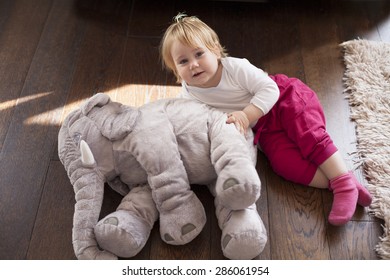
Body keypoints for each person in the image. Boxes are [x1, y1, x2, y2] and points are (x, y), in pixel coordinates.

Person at [159, 13, 372, 226]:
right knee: (283, 164)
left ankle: (343, 183)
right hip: (262, 129)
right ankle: (341, 183)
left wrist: (247, 114)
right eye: (183, 61)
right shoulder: (189, 93)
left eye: (199, 54)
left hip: (284, 100)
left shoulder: (234, 68)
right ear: (175, 71)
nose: (194, 65)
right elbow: (186, 118)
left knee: (309, 136)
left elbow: (269, 89)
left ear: (215, 50)